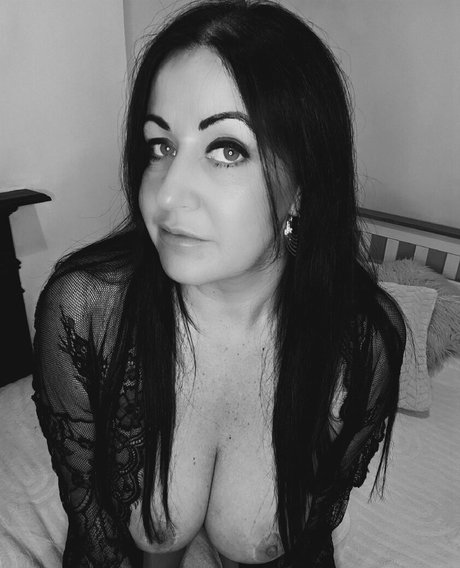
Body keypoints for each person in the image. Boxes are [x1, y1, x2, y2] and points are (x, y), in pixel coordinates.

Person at [32, 1, 406, 566]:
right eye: (160, 146)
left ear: (303, 185)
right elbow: (95, 538)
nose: (167, 194)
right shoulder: (85, 312)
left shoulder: (361, 344)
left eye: (227, 150)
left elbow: (308, 544)